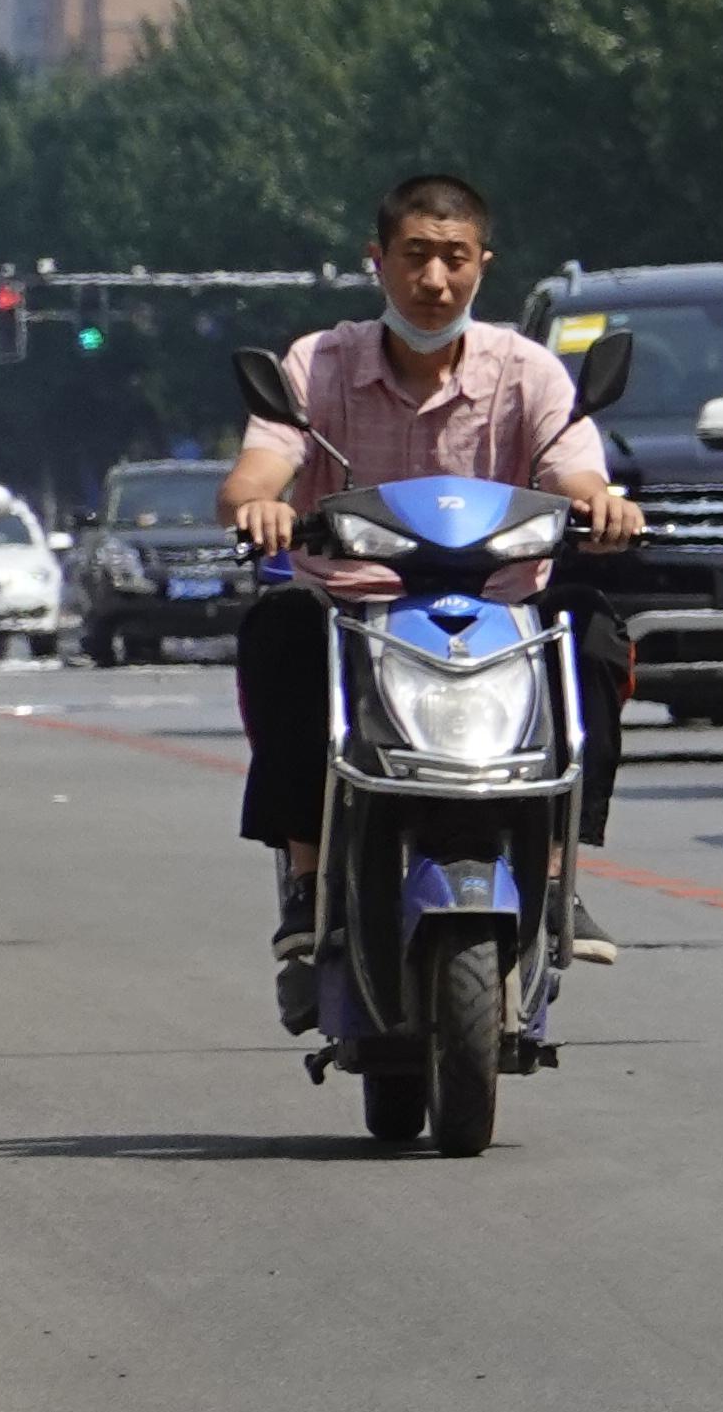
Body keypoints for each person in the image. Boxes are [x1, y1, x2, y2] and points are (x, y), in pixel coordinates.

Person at [225, 173, 645, 1027]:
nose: (435, 281)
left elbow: (576, 468)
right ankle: (307, 881)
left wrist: (603, 505)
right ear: (378, 263)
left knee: (594, 630)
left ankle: (562, 877)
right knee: (278, 629)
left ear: (482, 266)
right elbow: (257, 474)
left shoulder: (526, 372)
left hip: (498, 614)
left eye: (455, 259)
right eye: (415, 257)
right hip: (354, 614)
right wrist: (260, 507)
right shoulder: (317, 364)